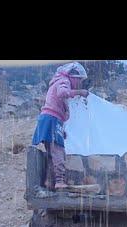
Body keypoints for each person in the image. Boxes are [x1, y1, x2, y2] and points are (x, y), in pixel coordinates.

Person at [32, 62, 90, 191]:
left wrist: (61, 129)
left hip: (49, 119)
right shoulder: (64, 81)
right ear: (73, 77)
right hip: (52, 119)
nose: (79, 83)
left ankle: (49, 181)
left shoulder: (58, 81)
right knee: (58, 151)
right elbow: (62, 92)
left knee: (52, 152)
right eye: (79, 80)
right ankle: (59, 181)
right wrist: (80, 92)